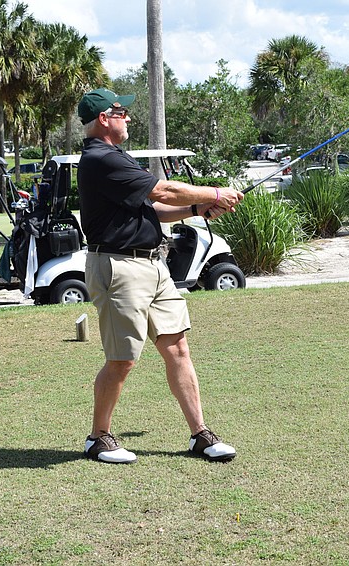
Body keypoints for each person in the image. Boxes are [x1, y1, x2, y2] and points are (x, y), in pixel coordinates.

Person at [77, 88, 243, 464]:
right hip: (119, 267)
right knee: (123, 359)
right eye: (122, 111)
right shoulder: (100, 158)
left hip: (153, 265)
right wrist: (216, 190)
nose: (129, 117)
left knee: (178, 347)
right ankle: (98, 438)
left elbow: (152, 209)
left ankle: (200, 435)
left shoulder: (116, 157)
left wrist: (198, 208)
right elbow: (165, 189)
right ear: (104, 118)